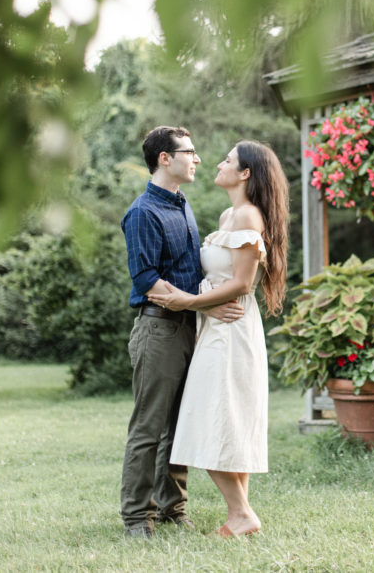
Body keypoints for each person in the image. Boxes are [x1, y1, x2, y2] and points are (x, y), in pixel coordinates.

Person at [148, 140, 289, 538]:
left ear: (245, 173)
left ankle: (242, 514)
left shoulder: (247, 217)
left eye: (228, 160)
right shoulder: (229, 214)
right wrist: (198, 306)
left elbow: (242, 283)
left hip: (232, 330)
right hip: (216, 325)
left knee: (209, 418)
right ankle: (238, 514)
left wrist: (185, 301)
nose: (218, 163)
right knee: (222, 416)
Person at [119, 126, 245, 539]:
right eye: (188, 152)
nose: (198, 158)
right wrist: (208, 304)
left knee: (179, 425)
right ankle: (139, 517)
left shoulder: (182, 204)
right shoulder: (143, 212)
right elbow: (148, 282)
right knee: (148, 428)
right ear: (164, 159)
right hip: (158, 331)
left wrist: (203, 308)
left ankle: (173, 509)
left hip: (190, 329)